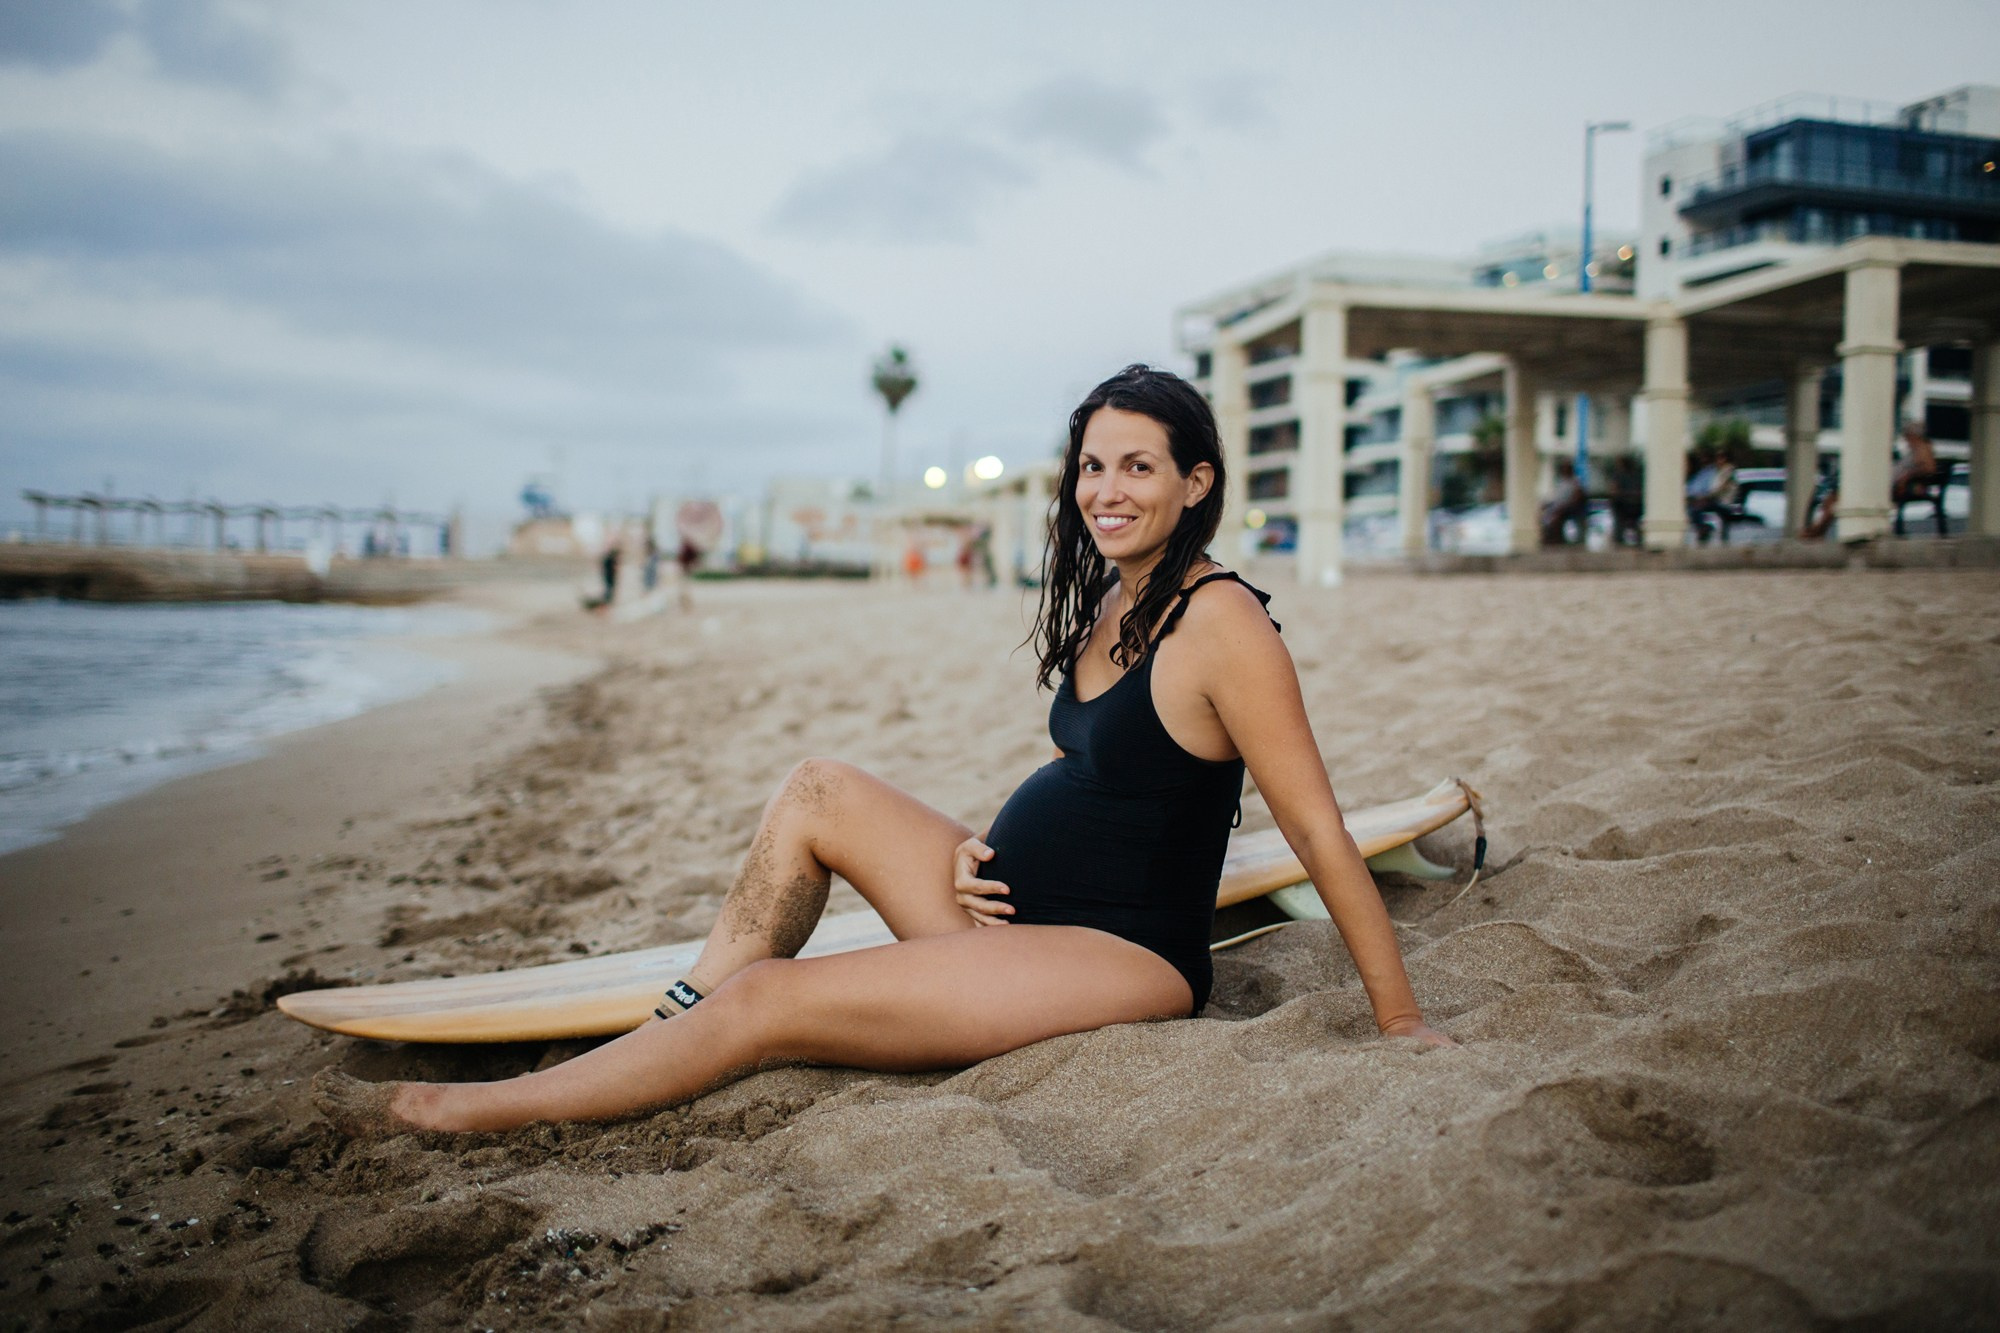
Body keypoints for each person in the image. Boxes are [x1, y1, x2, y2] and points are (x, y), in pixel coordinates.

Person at [312, 364, 1453, 1138]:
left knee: (774, 1006)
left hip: (1115, 957)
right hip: (1015, 913)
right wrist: (976, 858)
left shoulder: (1223, 624)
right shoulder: (1117, 598)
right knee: (817, 789)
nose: (1106, 490)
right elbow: (1105, 780)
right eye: (1092, 465)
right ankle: (686, 1005)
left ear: (1195, 482)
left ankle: (510, 1106)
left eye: (1138, 467)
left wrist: (1398, 1024)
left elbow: (1313, 826)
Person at [1538, 458, 1587, 547]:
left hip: (1567, 508)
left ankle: (1557, 539)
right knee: (1542, 514)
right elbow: (1556, 498)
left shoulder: (1575, 483)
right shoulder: (1560, 483)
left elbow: (1576, 498)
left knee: (1556, 516)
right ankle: (1547, 538)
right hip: (1557, 506)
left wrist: (1564, 506)